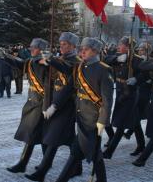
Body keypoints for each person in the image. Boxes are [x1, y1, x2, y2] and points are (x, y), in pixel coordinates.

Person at [48, 37, 113, 182]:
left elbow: (107, 100)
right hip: (81, 115)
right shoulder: (79, 68)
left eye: (86, 49)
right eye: (81, 49)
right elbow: (68, 88)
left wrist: (103, 121)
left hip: (93, 119)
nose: (82, 52)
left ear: (95, 51)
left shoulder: (104, 70)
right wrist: (54, 105)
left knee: (80, 151)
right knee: (92, 153)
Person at [25, 32, 83, 181]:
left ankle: (42, 172)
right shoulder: (59, 59)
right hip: (56, 102)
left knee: (53, 137)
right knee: (68, 138)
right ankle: (77, 167)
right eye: (61, 44)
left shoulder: (76, 61)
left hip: (67, 104)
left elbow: (67, 71)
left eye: (65, 44)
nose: (62, 47)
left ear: (73, 46)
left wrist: (51, 59)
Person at [6, 38, 50, 175]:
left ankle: (23, 164)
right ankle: (45, 163)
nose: (31, 49)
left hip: (41, 103)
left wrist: (47, 106)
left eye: (34, 47)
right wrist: (5, 57)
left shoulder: (46, 63)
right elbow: (20, 63)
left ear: (41, 49)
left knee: (32, 133)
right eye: (31, 47)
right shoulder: (31, 61)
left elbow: (49, 87)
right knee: (42, 135)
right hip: (33, 101)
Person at [103, 36, 145, 159]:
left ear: (128, 47)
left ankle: (110, 151)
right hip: (121, 91)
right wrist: (117, 58)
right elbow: (105, 59)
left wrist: (136, 79)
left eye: (121, 45)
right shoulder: (119, 57)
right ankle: (141, 145)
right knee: (135, 121)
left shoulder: (137, 60)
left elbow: (146, 74)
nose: (118, 47)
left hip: (130, 93)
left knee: (121, 123)